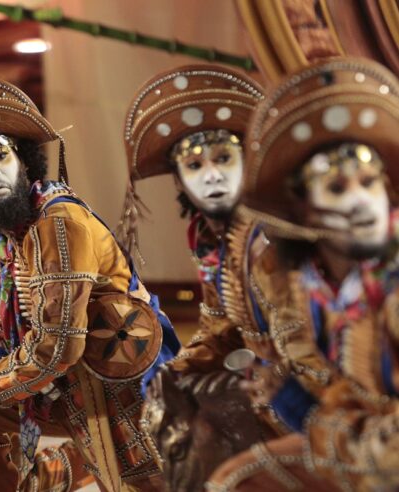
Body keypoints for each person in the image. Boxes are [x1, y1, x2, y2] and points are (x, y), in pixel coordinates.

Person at [0, 76, 180, 491]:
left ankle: (63, 469)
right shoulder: (0, 236)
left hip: (114, 377)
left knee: (141, 482)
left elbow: (58, 347)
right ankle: (43, 475)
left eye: (0, 157)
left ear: (24, 162)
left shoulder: (59, 223)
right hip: (58, 376)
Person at [208, 57, 399, 491]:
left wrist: (308, 418)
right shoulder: (322, 283)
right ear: (302, 207)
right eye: (336, 188)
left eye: (369, 183)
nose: (360, 202)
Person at [119, 65, 285, 490]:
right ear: (180, 180)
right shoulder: (208, 237)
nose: (211, 175)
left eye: (224, 159)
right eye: (194, 165)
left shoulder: (280, 229)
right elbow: (218, 323)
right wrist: (176, 369)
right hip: (261, 377)